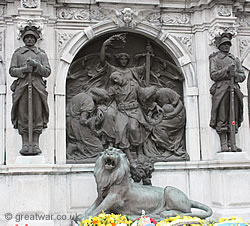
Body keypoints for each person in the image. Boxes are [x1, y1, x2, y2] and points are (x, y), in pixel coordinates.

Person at [9, 25, 51, 155]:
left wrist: (36, 66)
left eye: (31, 38)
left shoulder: (41, 54)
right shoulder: (18, 53)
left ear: (36, 39)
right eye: (27, 37)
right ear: (23, 39)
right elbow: (12, 70)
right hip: (22, 87)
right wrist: (23, 70)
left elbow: (47, 71)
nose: (29, 40)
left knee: (37, 114)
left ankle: (36, 144)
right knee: (23, 115)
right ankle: (25, 144)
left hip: (37, 87)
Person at [209, 33, 246, 152]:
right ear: (219, 45)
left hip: (233, 89)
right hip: (222, 90)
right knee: (222, 115)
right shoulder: (214, 59)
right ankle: (224, 143)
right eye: (224, 44)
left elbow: (242, 76)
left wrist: (234, 74)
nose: (226, 47)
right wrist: (226, 71)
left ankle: (232, 143)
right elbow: (213, 75)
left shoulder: (235, 60)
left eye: (228, 44)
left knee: (234, 115)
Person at [108, 71, 151, 167]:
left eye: (116, 77)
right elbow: (107, 99)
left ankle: (139, 151)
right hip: (121, 112)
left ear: (121, 75)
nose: (116, 80)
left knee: (133, 128)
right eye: (113, 80)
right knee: (120, 131)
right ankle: (130, 158)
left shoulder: (133, 85)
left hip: (134, 111)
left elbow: (142, 96)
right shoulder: (114, 89)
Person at [66, 88, 109, 161]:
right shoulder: (89, 102)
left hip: (69, 122)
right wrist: (94, 119)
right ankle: (75, 147)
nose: (100, 102)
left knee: (85, 140)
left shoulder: (81, 95)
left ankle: (73, 146)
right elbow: (83, 120)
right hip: (77, 125)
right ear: (97, 96)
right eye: (101, 100)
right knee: (98, 147)